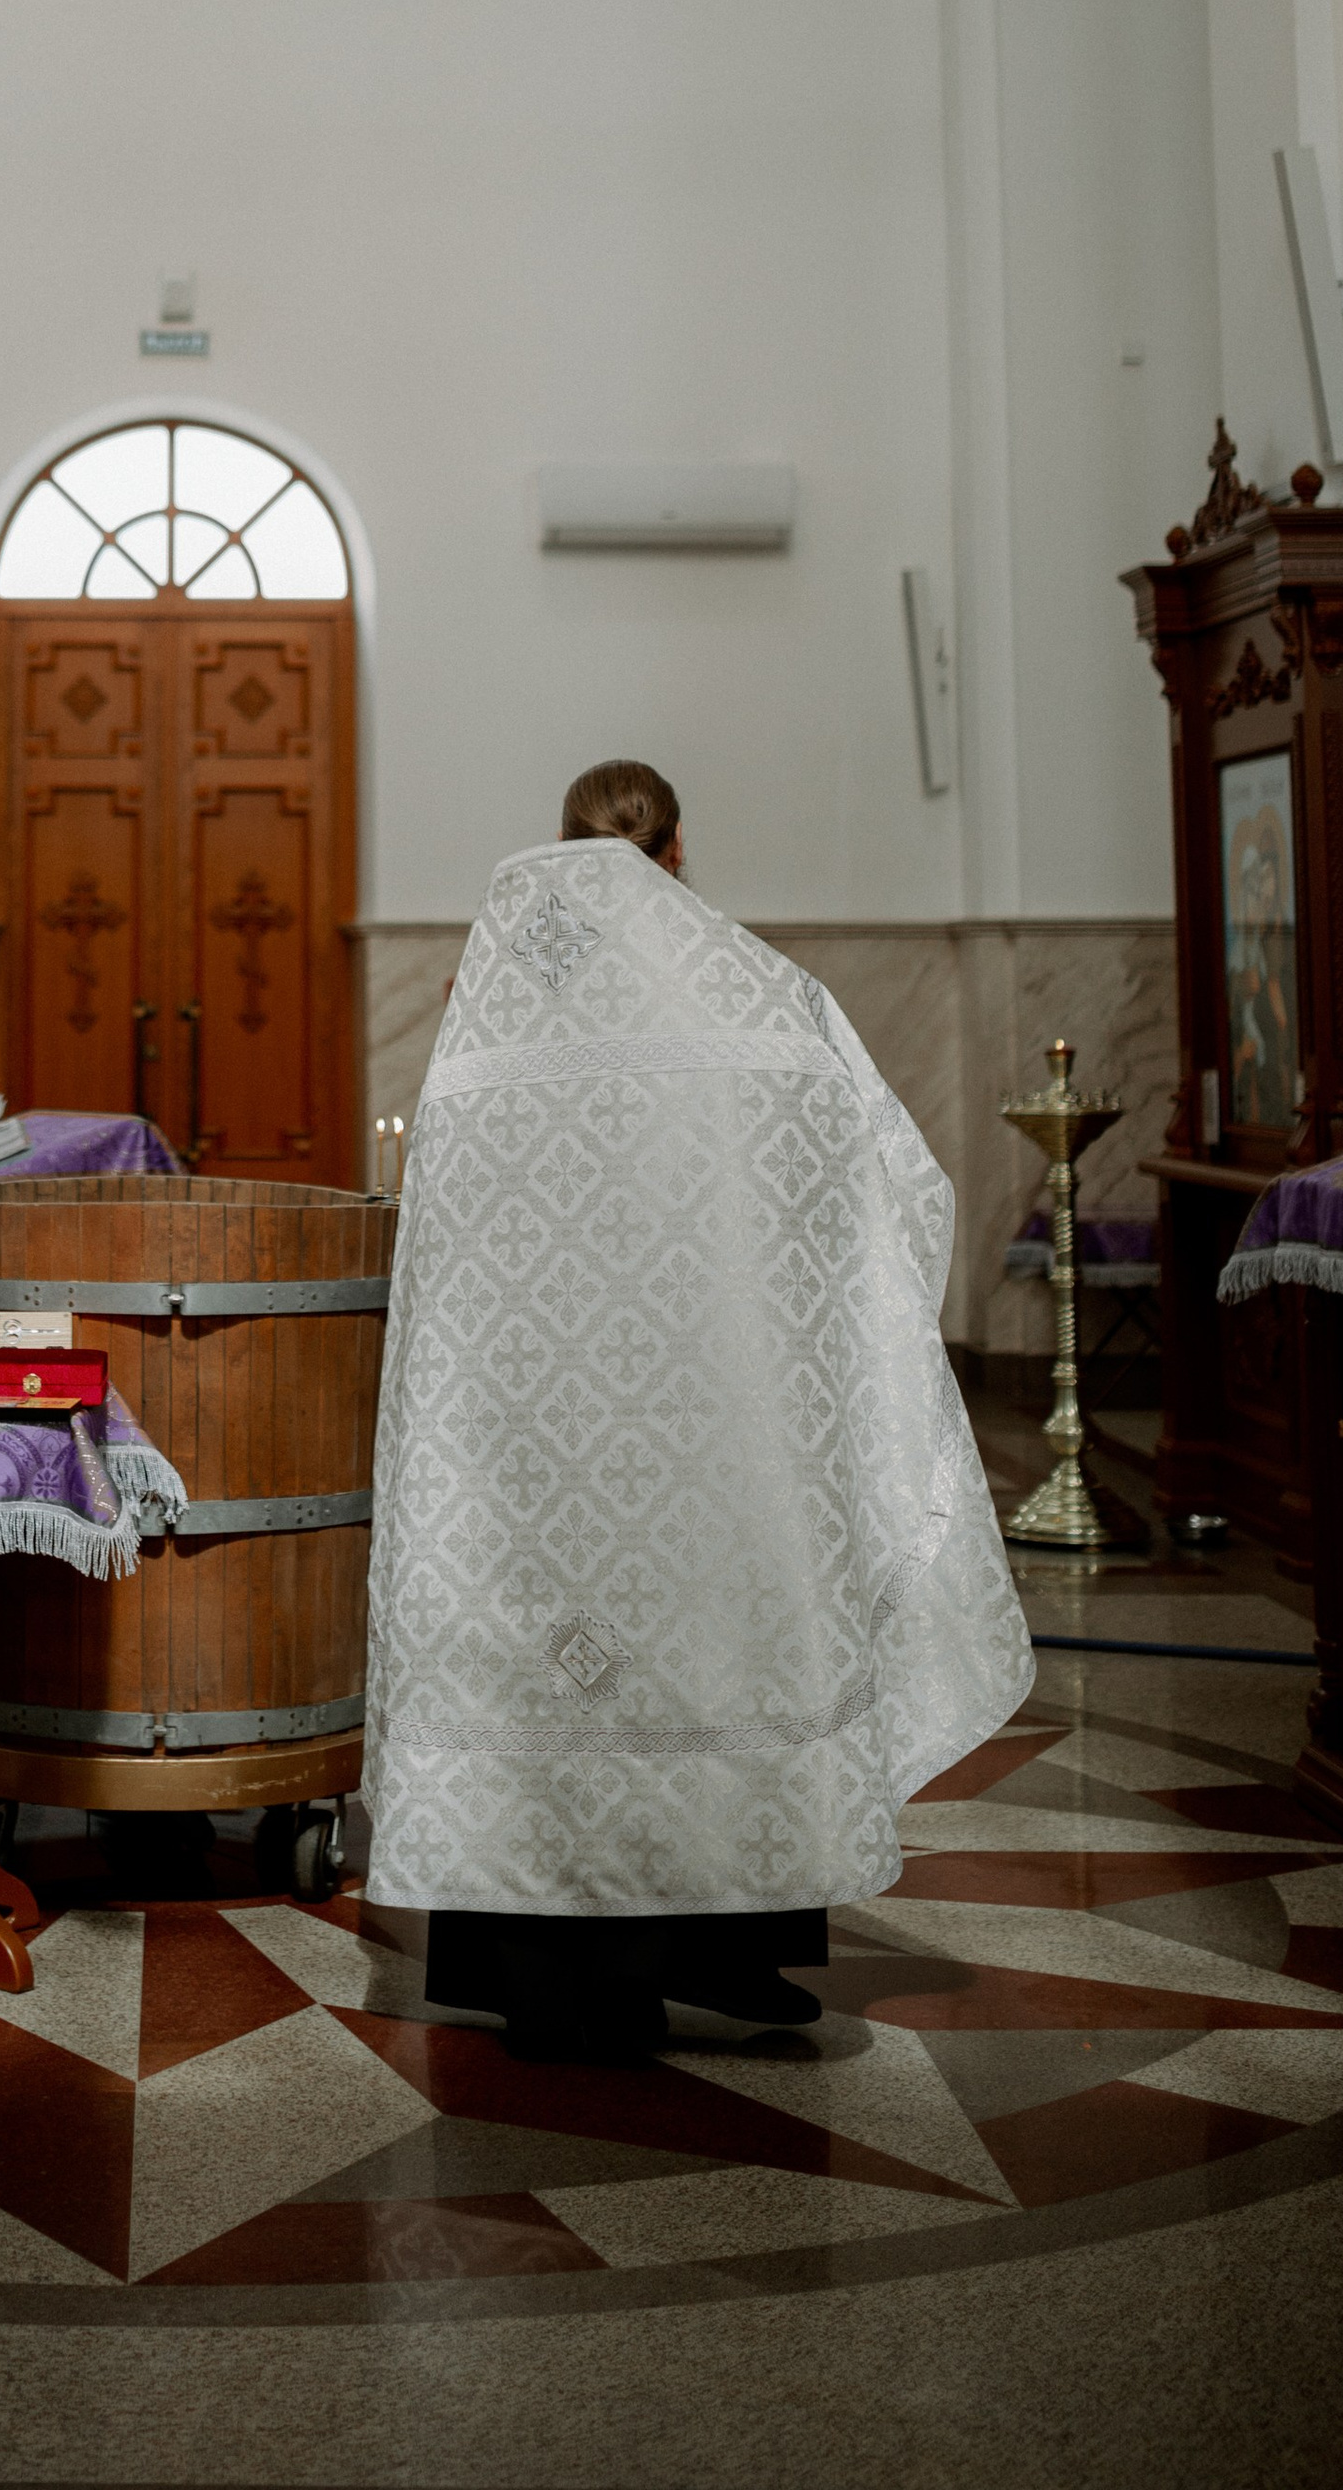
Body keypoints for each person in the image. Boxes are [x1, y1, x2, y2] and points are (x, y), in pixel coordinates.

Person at [363, 756, 1034, 2062]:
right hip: (713, 1444)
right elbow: (892, 1183)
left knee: (548, 1679)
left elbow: (435, 1246)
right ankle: (724, 1951)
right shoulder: (767, 1001)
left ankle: (552, 1981)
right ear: (675, 858)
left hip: (527, 1457)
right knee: (728, 1662)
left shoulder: (489, 1018)